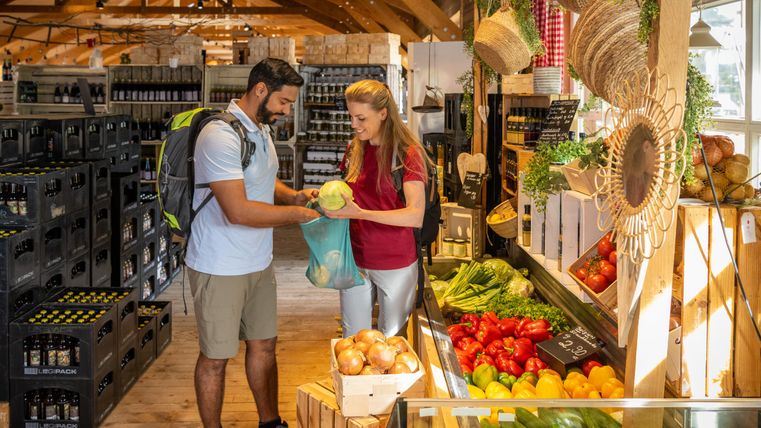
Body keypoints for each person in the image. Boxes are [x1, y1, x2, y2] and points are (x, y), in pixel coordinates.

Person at [184, 58, 319, 428]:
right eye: (284, 102)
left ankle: (269, 421)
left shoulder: (260, 129)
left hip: (259, 261)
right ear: (261, 90)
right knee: (215, 357)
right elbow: (238, 210)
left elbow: (260, 178)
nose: (287, 111)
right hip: (219, 264)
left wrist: (292, 198)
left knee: (264, 345)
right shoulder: (220, 135)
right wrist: (298, 217)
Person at [325, 79, 433, 338]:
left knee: (392, 341)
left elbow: (415, 215)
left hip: (395, 263)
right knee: (353, 340)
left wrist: (360, 214)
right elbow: (355, 196)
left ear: (383, 114)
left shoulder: (408, 153)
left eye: (361, 118)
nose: (354, 125)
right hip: (355, 260)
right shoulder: (354, 150)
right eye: (351, 117)